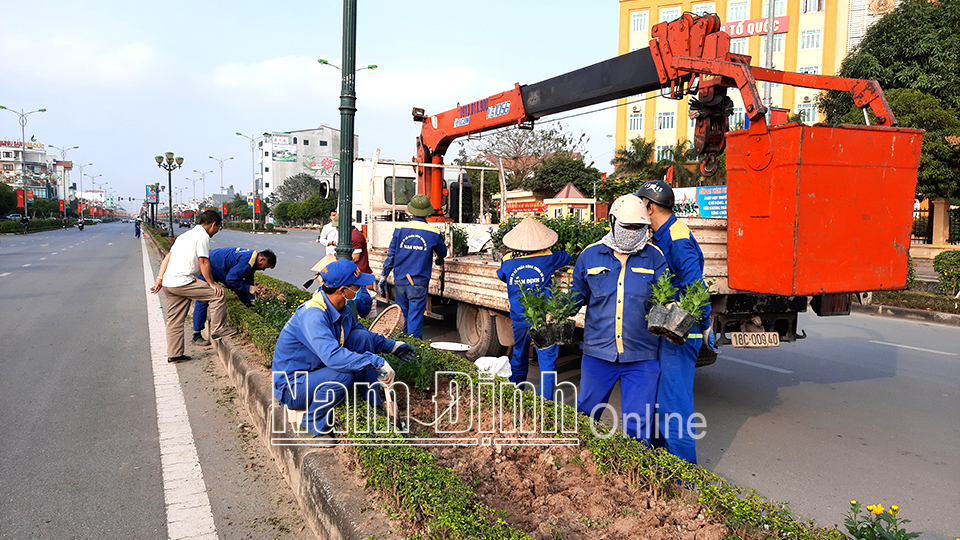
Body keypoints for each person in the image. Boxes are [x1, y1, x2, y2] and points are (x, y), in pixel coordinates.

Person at [272, 259, 416, 437]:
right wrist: (376, 361)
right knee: (342, 375)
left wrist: (392, 346)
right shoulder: (313, 315)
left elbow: (361, 333)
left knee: (360, 338)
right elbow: (333, 357)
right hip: (294, 386)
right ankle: (311, 424)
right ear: (343, 291)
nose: (360, 290)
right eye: (357, 287)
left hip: (316, 370)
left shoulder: (340, 308)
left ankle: (372, 402)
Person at [570, 194, 667, 442]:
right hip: (598, 354)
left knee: (638, 424)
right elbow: (575, 297)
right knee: (586, 416)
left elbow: (666, 300)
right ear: (613, 222)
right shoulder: (590, 256)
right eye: (627, 226)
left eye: (639, 227)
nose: (633, 232)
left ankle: (633, 476)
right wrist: (549, 312)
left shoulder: (654, 258)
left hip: (642, 357)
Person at [635, 180, 711, 464]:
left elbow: (695, 287)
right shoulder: (664, 234)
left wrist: (704, 325)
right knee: (658, 403)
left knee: (673, 408)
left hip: (681, 333)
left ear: (650, 207)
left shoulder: (677, 239)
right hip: (668, 329)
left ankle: (685, 481)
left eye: (640, 206)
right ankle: (660, 464)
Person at [496, 217, 571, 399]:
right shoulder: (548, 258)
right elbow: (567, 256)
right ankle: (545, 406)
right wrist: (545, 251)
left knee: (519, 356)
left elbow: (501, 275)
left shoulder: (508, 262)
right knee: (547, 361)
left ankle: (515, 396)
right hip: (543, 317)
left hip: (519, 318)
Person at [149, 210, 234, 363]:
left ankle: (174, 354)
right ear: (214, 224)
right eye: (218, 228)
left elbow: (169, 256)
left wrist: (159, 278)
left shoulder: (184, 236)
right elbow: (203, 261)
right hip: (183, 282)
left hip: (169, 283)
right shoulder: (203, 236)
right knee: (218, 295)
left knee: (174, 320)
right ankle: (217, 330)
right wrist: (212, 284)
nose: (216, 231)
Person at [378, 194, 447, 338]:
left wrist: (384, 276)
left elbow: (391, 255)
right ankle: (412, 350)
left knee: (401, 317)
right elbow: (442, 252)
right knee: (415, 318)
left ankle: (400, 349)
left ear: (411, 211)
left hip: (401, 282)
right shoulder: (434, 233)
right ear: (428, 212)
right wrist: (439, 259)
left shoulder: (400, 229)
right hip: (418, 283)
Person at [191, 247, 277, 345]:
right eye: (265, 267)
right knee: (203, 299)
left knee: (238, 286)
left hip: (220, 269)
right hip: (208, 267)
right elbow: (231, 280)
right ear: (262, 259)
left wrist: (250, 299)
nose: (263, 269)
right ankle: (197, 335)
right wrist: (249, 288)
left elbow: (247, 281)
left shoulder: (252, 260)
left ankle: (246, 303)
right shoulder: (247, 261)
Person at [309, 254, 373, 319]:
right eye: (358, 286)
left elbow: (355, 327)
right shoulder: (316, 317)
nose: (360, 289)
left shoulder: (345, 309)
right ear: (342, 290)